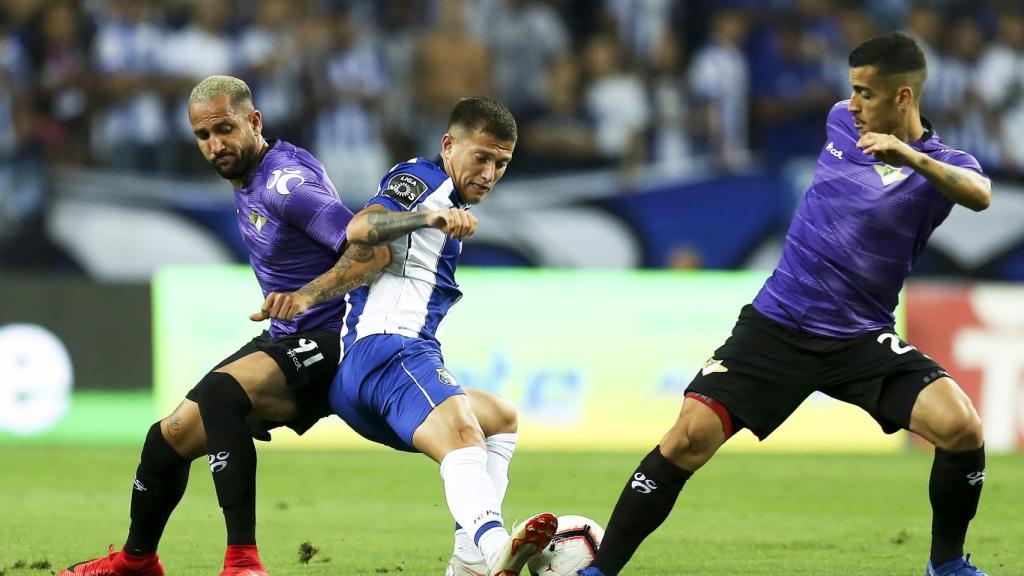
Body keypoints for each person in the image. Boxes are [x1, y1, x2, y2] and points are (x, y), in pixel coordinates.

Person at [580, 32, 993, 576]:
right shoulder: (842, 123)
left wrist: (912, 158)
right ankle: (599, 570)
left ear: (903, 99)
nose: (853, 104)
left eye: (866, 93)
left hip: (858, 337)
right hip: (778, 322)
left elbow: (979, 194)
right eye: (852, 90)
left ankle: (946, 566)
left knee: (961, 427)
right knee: (686, 439)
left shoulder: (940, 166)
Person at [60, 75, 389, 576]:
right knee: (165, 439)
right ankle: (136, 561)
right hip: (287, 337)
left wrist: (307, 296)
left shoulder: (285, 186)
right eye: (203, 136)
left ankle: (243, 562)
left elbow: (369, 252)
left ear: (254, 121)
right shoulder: (252, 175)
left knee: (220, 396)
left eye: (225, 129)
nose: (215, 146)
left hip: (331, 341)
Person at [329, 96, 557, 576]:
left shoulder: (449, 197)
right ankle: (495, 547)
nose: (490, 173)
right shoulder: (425, 183)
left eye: (502, 163)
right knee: (463, 435)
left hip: (381, 366)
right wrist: (427, 218)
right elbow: (360, 227)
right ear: (449, 145)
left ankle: (470, 562)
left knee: (499, 417)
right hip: (388, 351)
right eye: (481, 157)